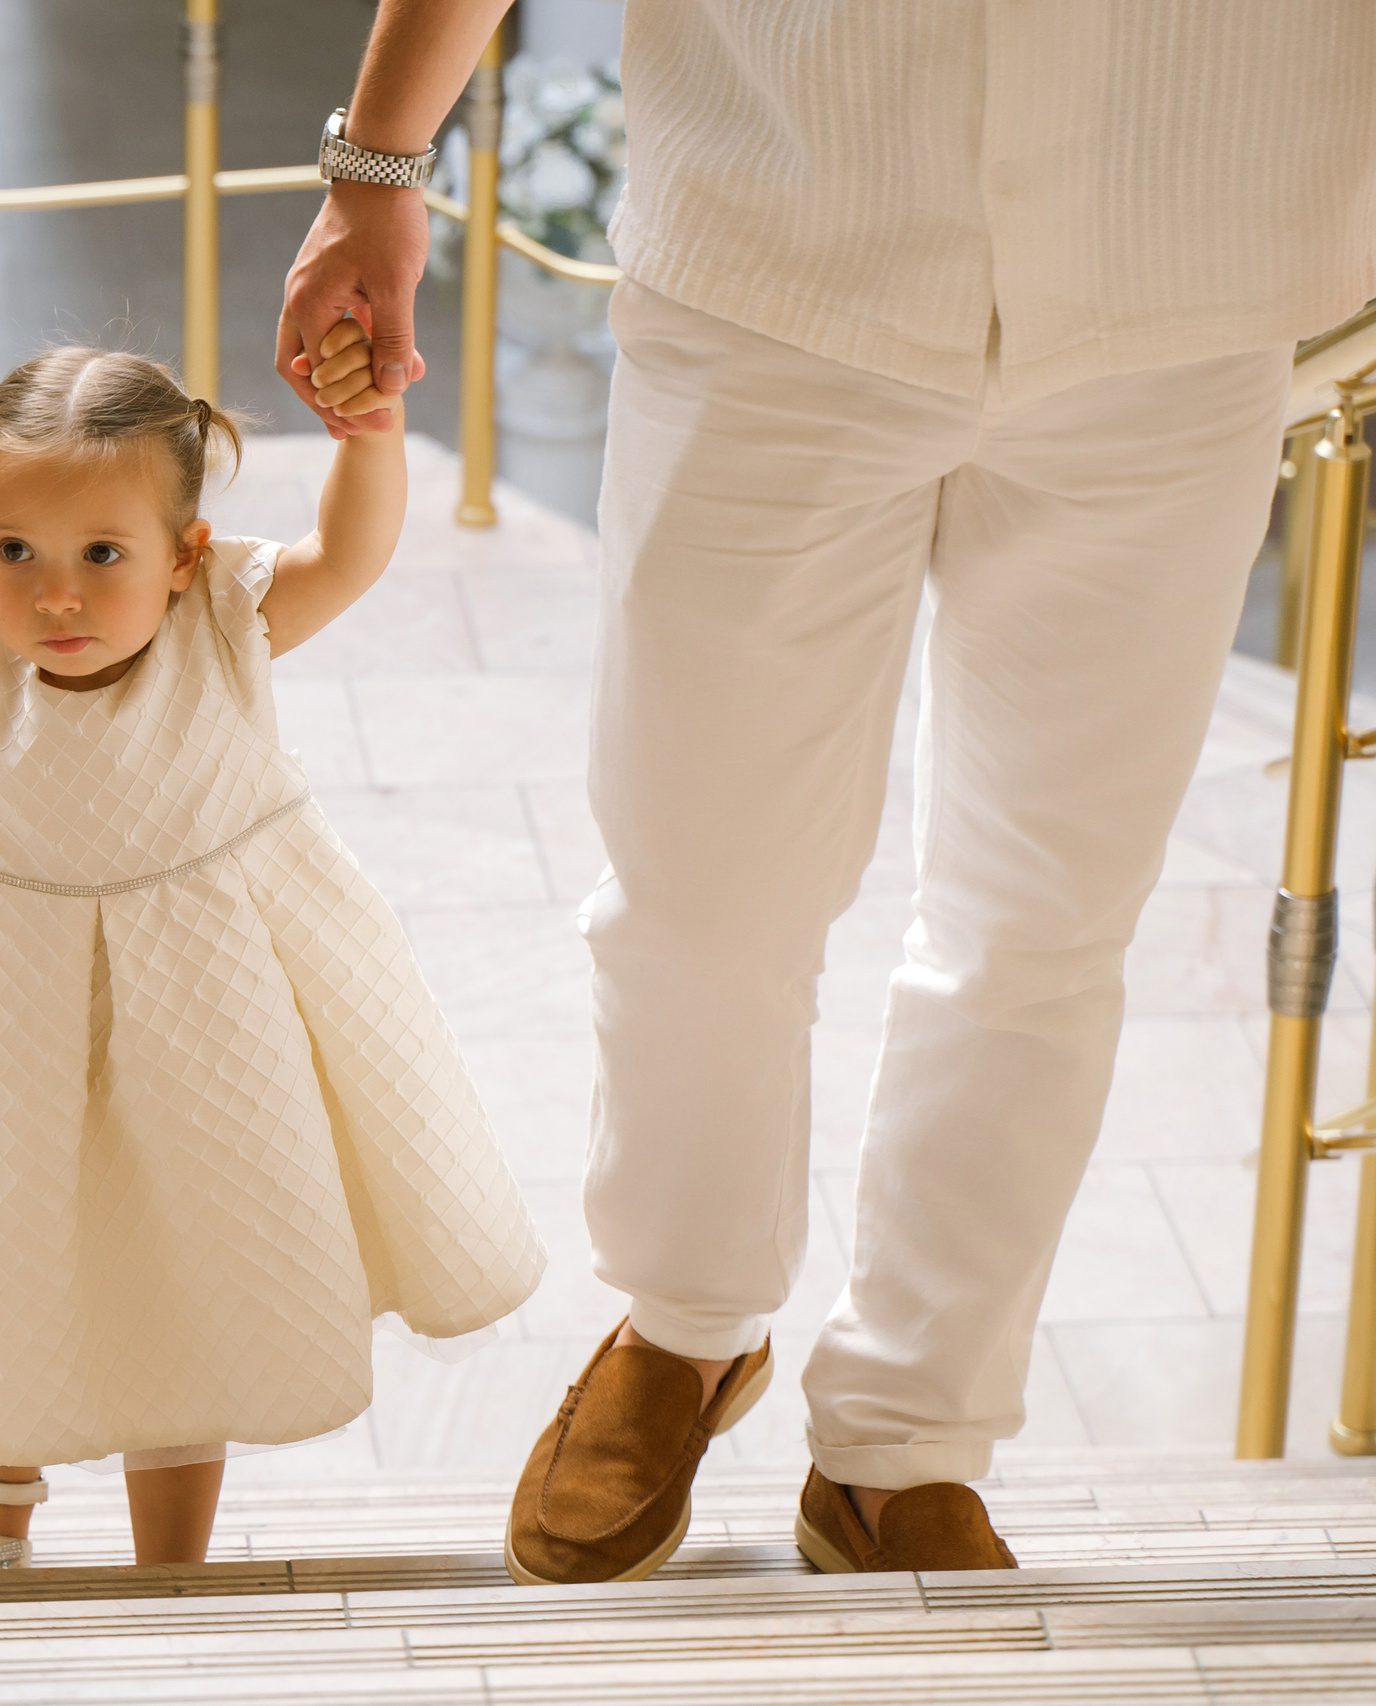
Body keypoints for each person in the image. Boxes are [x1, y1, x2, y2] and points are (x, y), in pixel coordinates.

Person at [280, 0, 1376, 1583]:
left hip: (1187, 243)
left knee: (1043, 923)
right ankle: (688, 1317)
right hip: (778, 221)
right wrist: (380, 158)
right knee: (698, 882)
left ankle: (906, 1438)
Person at [0, 328, 545, 1569]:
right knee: (4, 1241)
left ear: (183, 556)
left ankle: (176, 1568)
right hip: (0, 1012)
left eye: (104, 554)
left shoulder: (224, 625)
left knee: (183, 1265)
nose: (55, 592)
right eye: (15, 551)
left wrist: (368, 435)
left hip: (206, 1012)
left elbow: (353, 554)